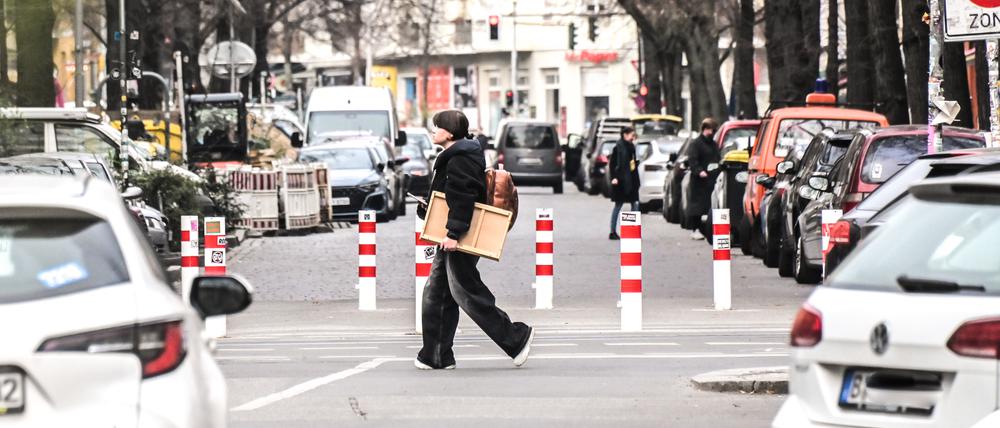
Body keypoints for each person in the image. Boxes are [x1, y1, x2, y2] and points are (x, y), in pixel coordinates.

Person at [415, 110, 534, 370]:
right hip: (452, 234)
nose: (433, 131)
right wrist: (428, 209)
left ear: (449, 132)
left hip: (459, 237)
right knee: (438, 293)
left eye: (436, 127)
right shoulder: (456, 155)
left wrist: (453, 234)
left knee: (466, 292)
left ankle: (516, 337)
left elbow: (464, 197)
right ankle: (436, 355)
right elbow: (450, 196)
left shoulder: (461, 158)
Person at [685, 118, 721, 241]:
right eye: (712, 130)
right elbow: (692, 159)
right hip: (699, 180)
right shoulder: (696, 144)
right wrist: (699, 171)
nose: (713, 132)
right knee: (697, 206)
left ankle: (705, 229)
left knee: (709, 205)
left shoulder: (713, 144)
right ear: (706, 129)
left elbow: (717, 157)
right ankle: (695, 229)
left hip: (712, 178)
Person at [608, 126, 640, 240]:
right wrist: (614, 177)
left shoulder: (631, 147)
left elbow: (632, 163)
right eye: (632, 134)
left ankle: (632, 231)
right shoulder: (618, 148)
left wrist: (636, 165)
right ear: (625, 135)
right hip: (621, 181)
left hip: (631, 180)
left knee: (635, 204)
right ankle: (612, 231)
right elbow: (612, 165)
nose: (633, 137)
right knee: (618, 205)